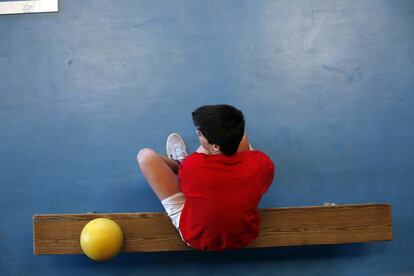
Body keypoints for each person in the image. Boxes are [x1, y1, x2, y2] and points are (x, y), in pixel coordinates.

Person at [137, 104, 275, 251]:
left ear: (216, 147)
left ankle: (179, 162)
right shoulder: (263, 162)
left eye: (200, 133)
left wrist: (194, 164)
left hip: (197, 238)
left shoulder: (193, 166)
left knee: (145, 157)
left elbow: (186, 189)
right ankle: (203, 158)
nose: (198, 133)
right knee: (242, 138)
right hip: (245, 236)